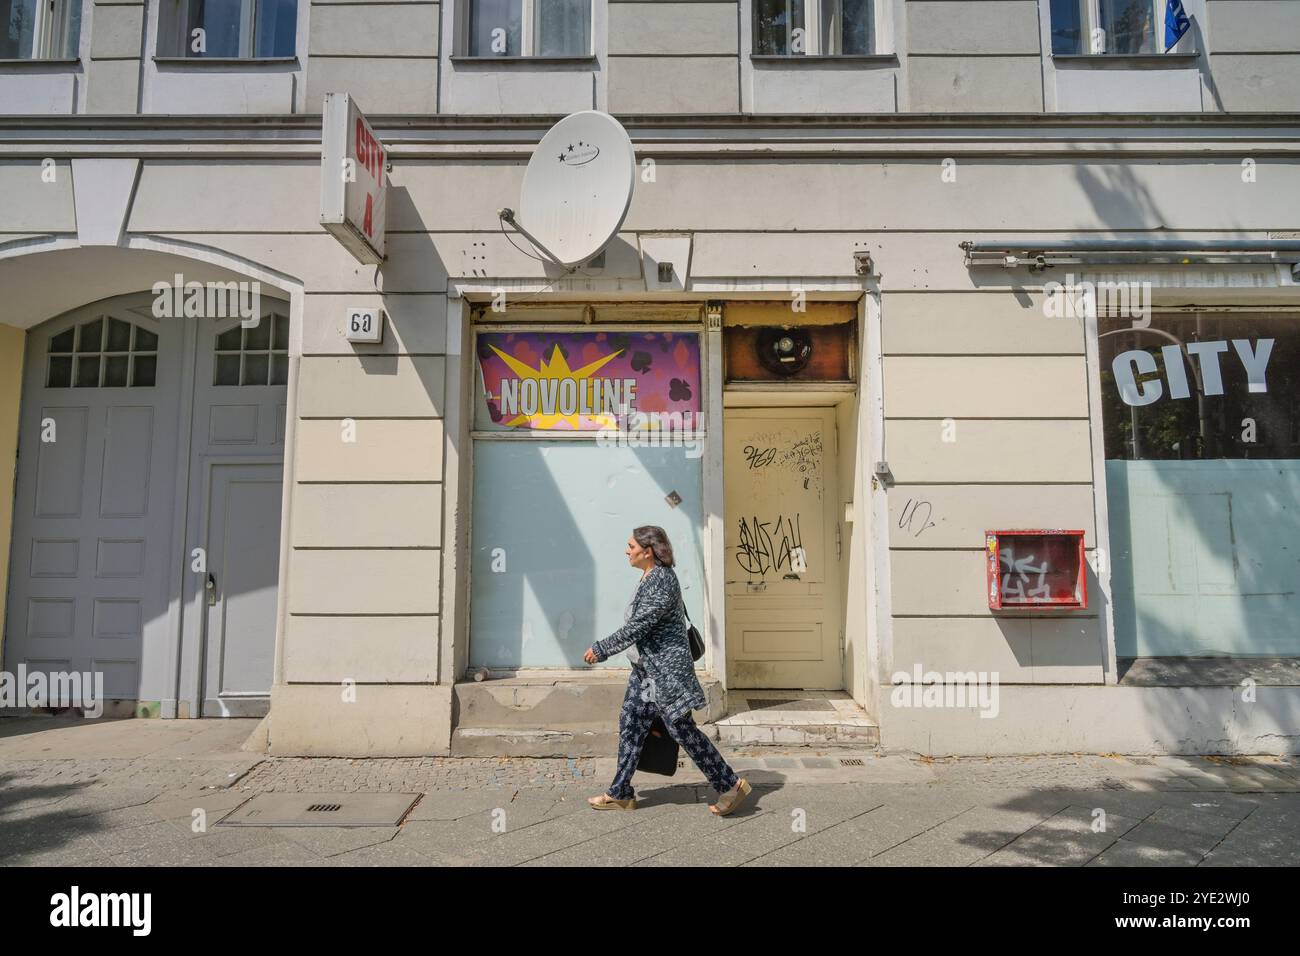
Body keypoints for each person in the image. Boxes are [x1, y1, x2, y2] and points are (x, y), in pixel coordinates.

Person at [583, 525, 752, 816]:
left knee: (682, 729)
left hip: (665, 673)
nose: (627, 551)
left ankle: (730, 784)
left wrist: (602, 648)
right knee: (631, 725)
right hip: (645, 672)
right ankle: (620, 792)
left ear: (647, 551)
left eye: (631, 546)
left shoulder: (660, 580)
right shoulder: (648, 577)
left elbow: (639, 625)